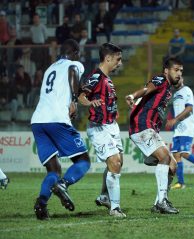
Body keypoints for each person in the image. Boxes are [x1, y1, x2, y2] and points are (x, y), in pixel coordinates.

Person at [31, 39, 91, 220]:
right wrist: (74, 99)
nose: (79, 56)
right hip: (57, 119)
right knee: (83, 160)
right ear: (73, 52)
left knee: (53, 170)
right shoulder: (74, 64)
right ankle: (63, 185)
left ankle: (41, 205)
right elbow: (73, 71)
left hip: (38, 121)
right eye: (78, 52)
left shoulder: (50, 68)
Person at [125, 57, 183, 214]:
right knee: (164, 158)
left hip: (151, 129)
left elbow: (177, 84)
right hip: (142, 125)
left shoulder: (169, 88)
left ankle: (158, 203)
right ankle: (162, 202)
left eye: (181, 71)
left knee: (173, 166)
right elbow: (147, 89)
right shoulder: (160, 79)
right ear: (166, 71)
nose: (179, 73)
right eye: (176, 70)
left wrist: (179, 82)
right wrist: (133, 95)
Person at [78, 43, 125, 218]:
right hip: (98, 126)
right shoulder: (96, 77)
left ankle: (105, 195)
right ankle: (115, 208)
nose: (119, 63)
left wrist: (114, 110)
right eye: (118, 59)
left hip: (111, 124)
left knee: (119, 161)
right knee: (114, 162)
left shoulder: (107, 79)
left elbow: (107, 100)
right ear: (108, 58)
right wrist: (90, 103)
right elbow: (81, 96)